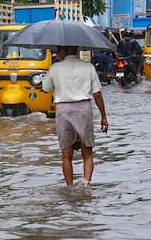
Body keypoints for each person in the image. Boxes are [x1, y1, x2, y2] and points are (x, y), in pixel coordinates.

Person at [42, 46, 108, 186]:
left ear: (63, 51)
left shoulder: (55, 68)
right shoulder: (88, 67)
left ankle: (70, 188)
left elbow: (45, 87)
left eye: (58, 50)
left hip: (63, 110)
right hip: (84, 109)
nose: (57, 53)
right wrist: (103, 116)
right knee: (87, 152)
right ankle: (86, 184)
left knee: (66, 154)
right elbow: (97, 93)